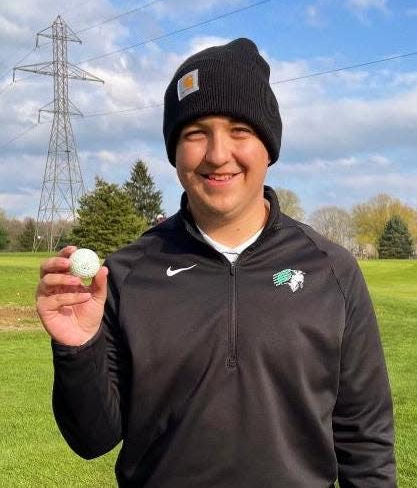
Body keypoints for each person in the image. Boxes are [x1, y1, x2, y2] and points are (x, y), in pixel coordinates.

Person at [36, 38, 396, 487]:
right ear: (174, 152)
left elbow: (365, 439)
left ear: (269, 147)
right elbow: (92, 438)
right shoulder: (127, 273)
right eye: (195, 133)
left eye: (239, 131)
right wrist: (77, 348)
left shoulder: (332, 270)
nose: (217, 154)